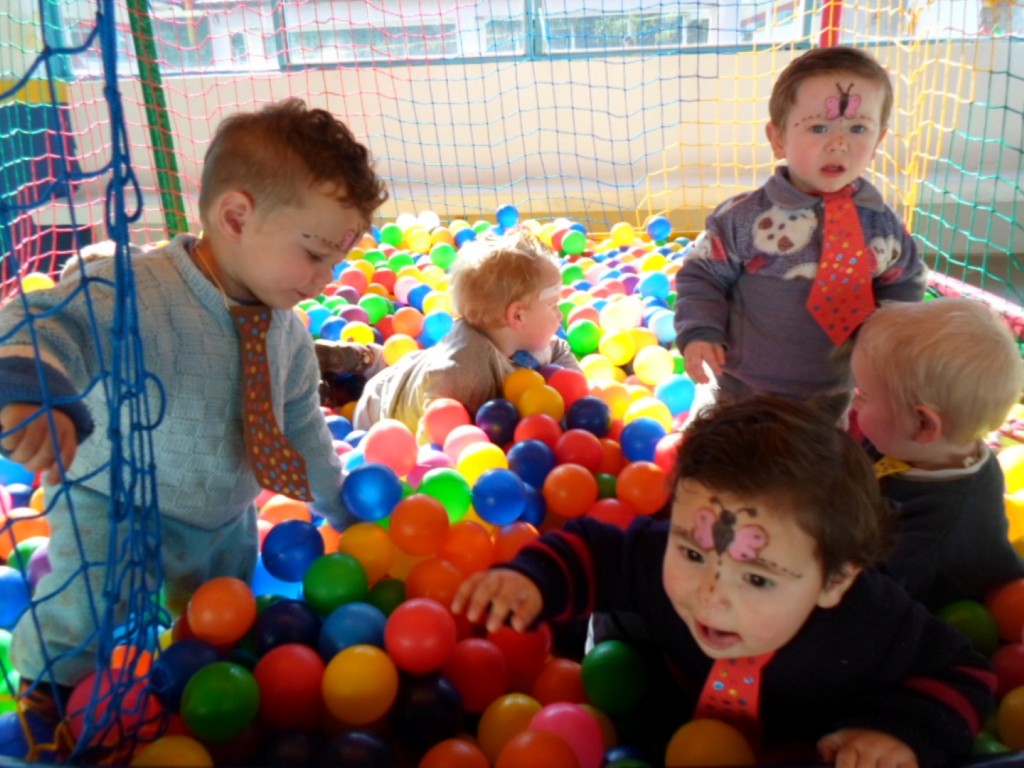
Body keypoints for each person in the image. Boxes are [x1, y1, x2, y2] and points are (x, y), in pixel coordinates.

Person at [0, 99, 388, 735]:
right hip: (112, 500)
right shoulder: (138, 289)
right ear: (236, 217)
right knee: (87, 608)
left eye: (336, 262)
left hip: (222, 516)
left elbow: (303, 431)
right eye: (315, 253)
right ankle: (50, 700)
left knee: (219, 625)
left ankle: (201, 701)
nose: (325, 278)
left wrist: (341, 509)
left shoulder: (288, 333)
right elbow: (45, 320)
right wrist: (32, 387)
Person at [453, 396, 995, 768]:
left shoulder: (867, 620)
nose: (710, 594)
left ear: (834, 580)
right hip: (652, 712)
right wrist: (533, 579)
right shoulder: (655, 557)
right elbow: (597, 549)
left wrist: (896, 731)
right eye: (692, 552)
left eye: (757, 578)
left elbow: (965, 672)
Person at [674, 46, 927, 421]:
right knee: (731, 453)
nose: (839, 143)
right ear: (778, 138)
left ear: (878, 140)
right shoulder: (742, 218)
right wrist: (700, 331)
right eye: (818, 127)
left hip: (834, 393)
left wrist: (890, 347)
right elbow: (702, 275)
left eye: (858, 128)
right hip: (743, 388)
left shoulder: (882, 226)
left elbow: (904, 283)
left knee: (820, 459)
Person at [851, 297, 1024, 611]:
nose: (854, 400)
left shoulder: (933, 538)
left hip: (932, 610)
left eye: (865, 394)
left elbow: (875, 602)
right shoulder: (907, 444)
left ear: (923, 424)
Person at [353, 227, 580, 441]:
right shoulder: (463, 373)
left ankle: (376, 359)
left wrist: (573, 396)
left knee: (419, 360)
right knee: (412, 371)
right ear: (517, 316)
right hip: (382, 404)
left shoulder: (530, 340)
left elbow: (558, 350)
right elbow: (434, 436)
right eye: (552, 304)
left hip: (419, 365)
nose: (559, 315)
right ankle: (370, 361)